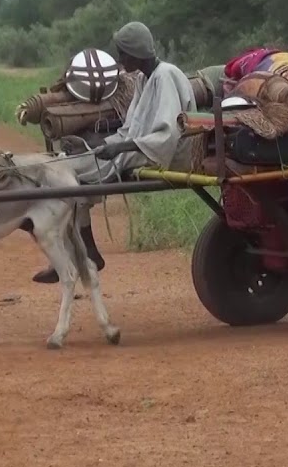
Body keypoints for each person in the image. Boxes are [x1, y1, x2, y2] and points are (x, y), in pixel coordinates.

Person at [31, 21, 196, 284]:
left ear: (136, 53)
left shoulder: (165, 76)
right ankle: (85, 253)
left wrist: (119, 147)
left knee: (69, 176)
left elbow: (167, 133)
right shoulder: (145, 77)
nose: (120, 61)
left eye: (123, 54)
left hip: (160, 152)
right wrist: (95, 146)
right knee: (67, 167)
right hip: (140, 146)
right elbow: (132, 128)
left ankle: (73, 254)